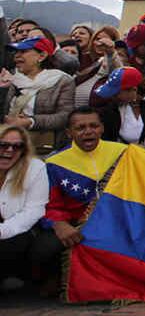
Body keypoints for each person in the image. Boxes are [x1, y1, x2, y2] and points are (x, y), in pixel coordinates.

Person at [33, 109, 127, 291]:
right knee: (43, 249)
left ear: (102, 129)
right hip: (76, 224)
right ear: (69, 133)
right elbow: (49, 203)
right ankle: (58, 278)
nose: (88, 131)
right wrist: (58, 223)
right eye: (80, 127)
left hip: (119, 219)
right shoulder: (54, 163)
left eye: (94, 126)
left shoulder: (124, 152)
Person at [0, 124, 50, 281]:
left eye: (17, 146)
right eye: (3, 145)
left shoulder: (36, 168)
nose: (9, 150)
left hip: (19, 230)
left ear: (24, 151)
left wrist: (2, 231)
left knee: (12, 245)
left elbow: (34, 211)